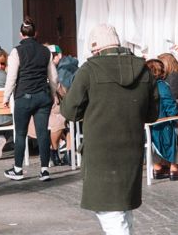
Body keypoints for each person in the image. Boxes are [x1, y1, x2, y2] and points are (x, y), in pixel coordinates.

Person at [61, 23, 157, 235]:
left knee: (108, 210)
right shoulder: (144, 69)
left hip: (100, 151)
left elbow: (70, 111)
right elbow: (152, 114)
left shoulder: (89, 70)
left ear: (96, 49)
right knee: (122, 207)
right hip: (132, 148)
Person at [3, 17, 57, 182]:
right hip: (42, 96)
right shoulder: (46, 51)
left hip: (24, 97)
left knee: (20, 133)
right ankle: (45, 170)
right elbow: (53, 77)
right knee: (42, 133)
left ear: (21, 34)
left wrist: (6, 97)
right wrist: (53, 95)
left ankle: (18, 170)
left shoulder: (16, 51)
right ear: (36, 33)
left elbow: (11, 77)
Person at [144, 59, 178, 179]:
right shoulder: (161, 85)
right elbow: (170, 105)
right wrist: (176, 115)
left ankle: (157, 167)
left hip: (148, 126)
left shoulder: (143, 87)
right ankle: (174, 168)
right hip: (162, 125)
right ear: (161, 71)